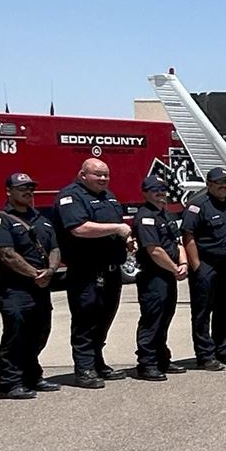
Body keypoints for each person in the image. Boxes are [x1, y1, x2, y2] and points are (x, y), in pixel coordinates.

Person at [56, 156, 133, 388]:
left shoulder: (108, 196)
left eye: (106, 175)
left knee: (104, 318)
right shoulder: (71, 197)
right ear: (82, 175)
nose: (103, 179)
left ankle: (98, 363)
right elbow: (79, 228)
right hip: (86, 271)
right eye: (97, 174)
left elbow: (113, 229)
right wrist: (118, 228)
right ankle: (84, 369)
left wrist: (127, 239)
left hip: (111, 270)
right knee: (85, 319)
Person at [0, 171, 60, 400]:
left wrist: (51, 270)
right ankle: (9, 382)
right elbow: (6, 254)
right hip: (15, 289)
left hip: (41, 287)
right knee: (15, 335)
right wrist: (34, 274)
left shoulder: (42, 219)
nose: (28, 192)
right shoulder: (0, 220)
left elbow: (55, 249)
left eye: (30, 187)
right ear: (8, 191)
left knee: (39, 333)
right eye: (22, 188)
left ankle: (32, 375)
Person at [182, 168, 226, 370]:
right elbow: (188, 236)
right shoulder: (198, 206)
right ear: (208, 184)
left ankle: (223, 348)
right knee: (202, 312)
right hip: (207, 267)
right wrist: (197, 266)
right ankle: (205, 354)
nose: (223, 185)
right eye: (219, 182)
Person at [130, 175, 186, 380]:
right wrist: (174, 268)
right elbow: (154, 251)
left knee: (164, 318)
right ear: (145, 192)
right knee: (152, 320)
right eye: (155, 190)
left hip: (168, 275)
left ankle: (162, 358)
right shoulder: (146, 216)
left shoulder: (165, 214)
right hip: (153, 277)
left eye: (162, 189)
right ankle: (147, 363)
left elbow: (177, 242)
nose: (160, 193)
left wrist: (184, 264)